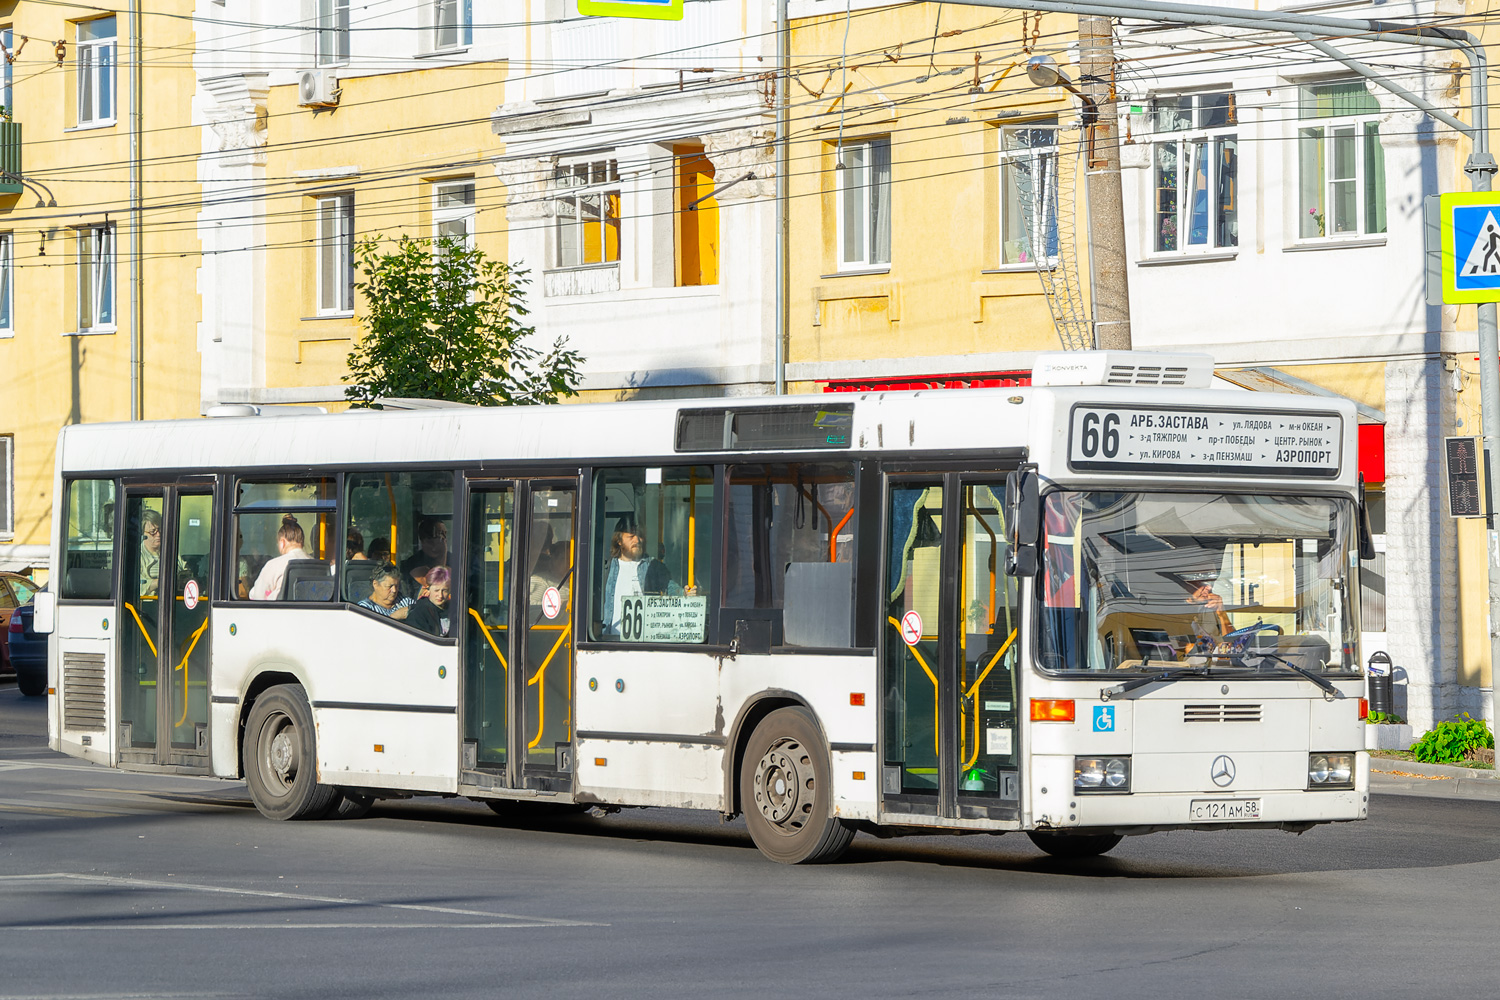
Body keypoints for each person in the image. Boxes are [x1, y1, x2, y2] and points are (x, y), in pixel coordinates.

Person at [600, 516, 676, 637]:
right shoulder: (605, 569)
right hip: (612, 640)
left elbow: (672, 589)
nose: (637, 540)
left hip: (646, 641)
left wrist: (686, 593)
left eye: (640, 535)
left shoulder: (654, 566)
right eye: (631, 536)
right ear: (619, 541)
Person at [248, 515, 312, 601]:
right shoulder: (317, 564)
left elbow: (257, 595)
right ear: (302, 542)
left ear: (282, 542)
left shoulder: (274, 565)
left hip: (279, 613)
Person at [400, 517, 451, 596]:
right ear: (423, 540)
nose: (442, 539)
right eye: (438, 535)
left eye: (444, 534)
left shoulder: (455, 560)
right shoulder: (411, 564)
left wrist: (443, 554)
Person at [408, 566, 454, 637]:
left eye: (444, 590)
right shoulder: (418, 614)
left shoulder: (455, 609)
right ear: (428, 588)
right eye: (436, 590)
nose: (440, 595)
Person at [529, 541, 572, 614]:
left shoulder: (578, 583)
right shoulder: (540, 580)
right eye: (564, 559)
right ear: (553, 560)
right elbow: (531, 607)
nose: (568, 563)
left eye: (571, 559)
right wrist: (561, 605)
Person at [139, 508, 163, 597]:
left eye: (160, 530)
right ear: (143, 534)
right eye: (153, 532)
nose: (158, 534)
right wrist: (160, 582)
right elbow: (138, 587)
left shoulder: (170, 552)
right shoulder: (137, 556)